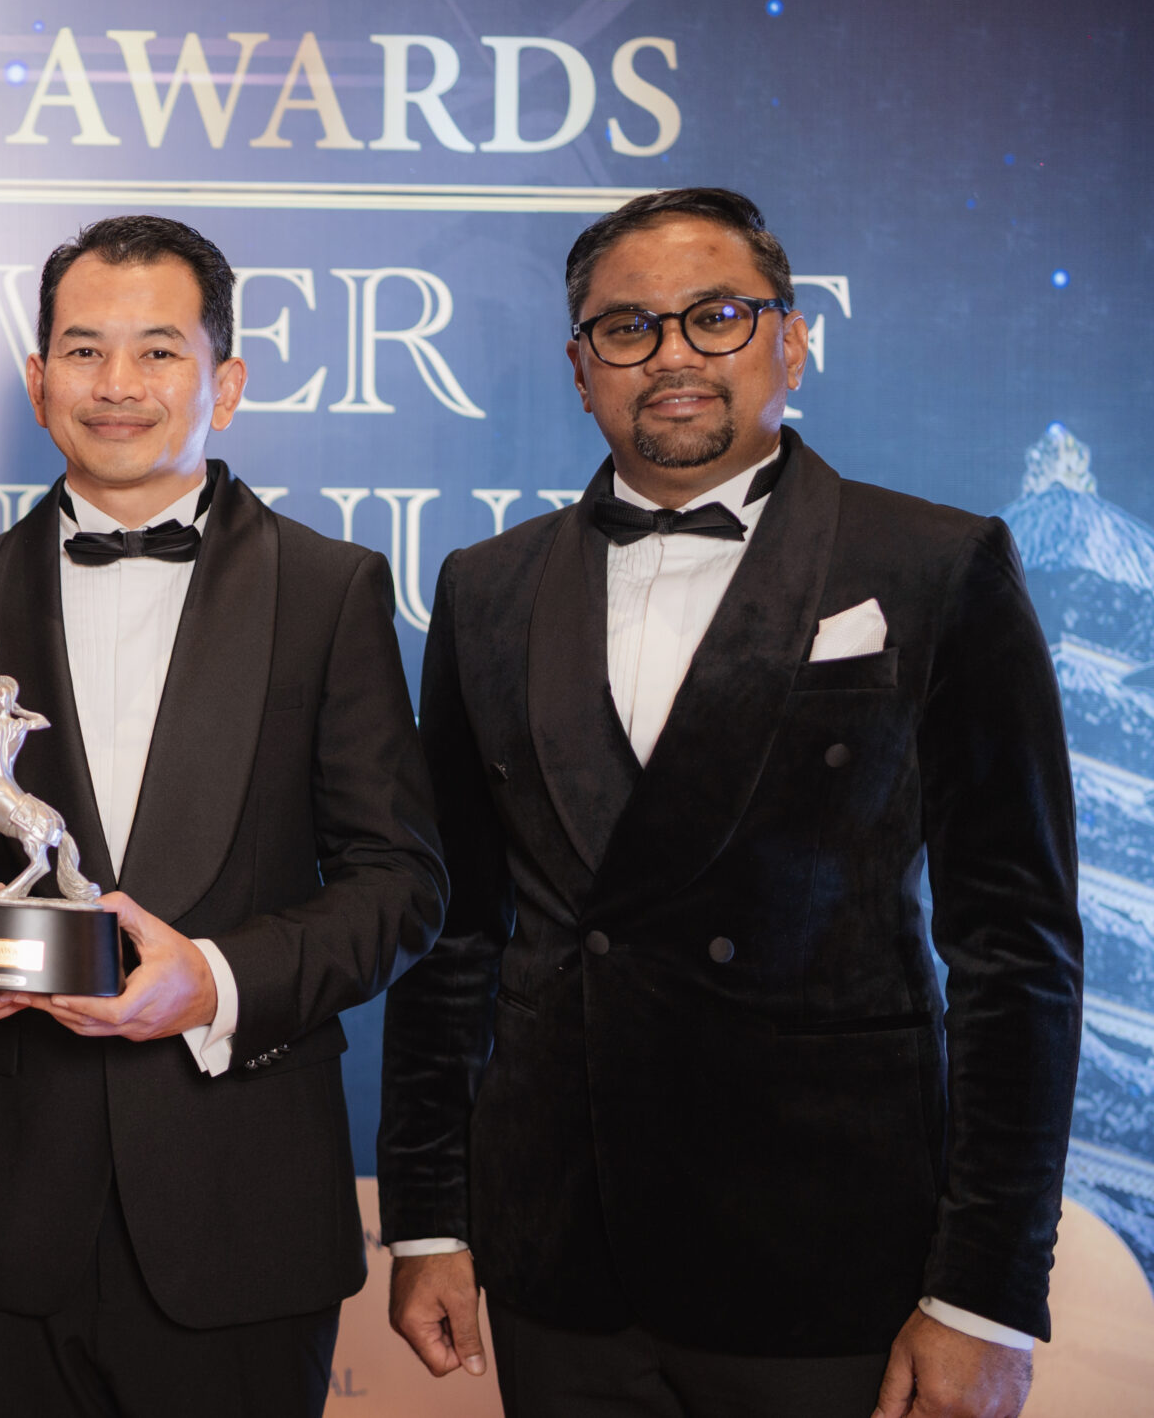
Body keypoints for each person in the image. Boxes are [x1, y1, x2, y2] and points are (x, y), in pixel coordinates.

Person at [378, 187, 1083, 1418]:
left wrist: (982, 1292)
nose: (674, 359)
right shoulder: (485, 587)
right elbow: (455, 935)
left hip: (833, 1253)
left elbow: (1014, 950)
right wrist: (428, 1217)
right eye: (628, 329)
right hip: (563, 1256)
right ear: (580, 366)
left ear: (790, 338)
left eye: (715, 317)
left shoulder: (932, 564)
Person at [0, 214, 448, 1418]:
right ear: (36, 381)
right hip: (9, 1206)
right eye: (82, 350)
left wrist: (218, 982)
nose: (116, 385)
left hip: (243, 1198)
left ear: (223, 382)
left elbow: (399, 881)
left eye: (158, 351)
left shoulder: (330, 588)